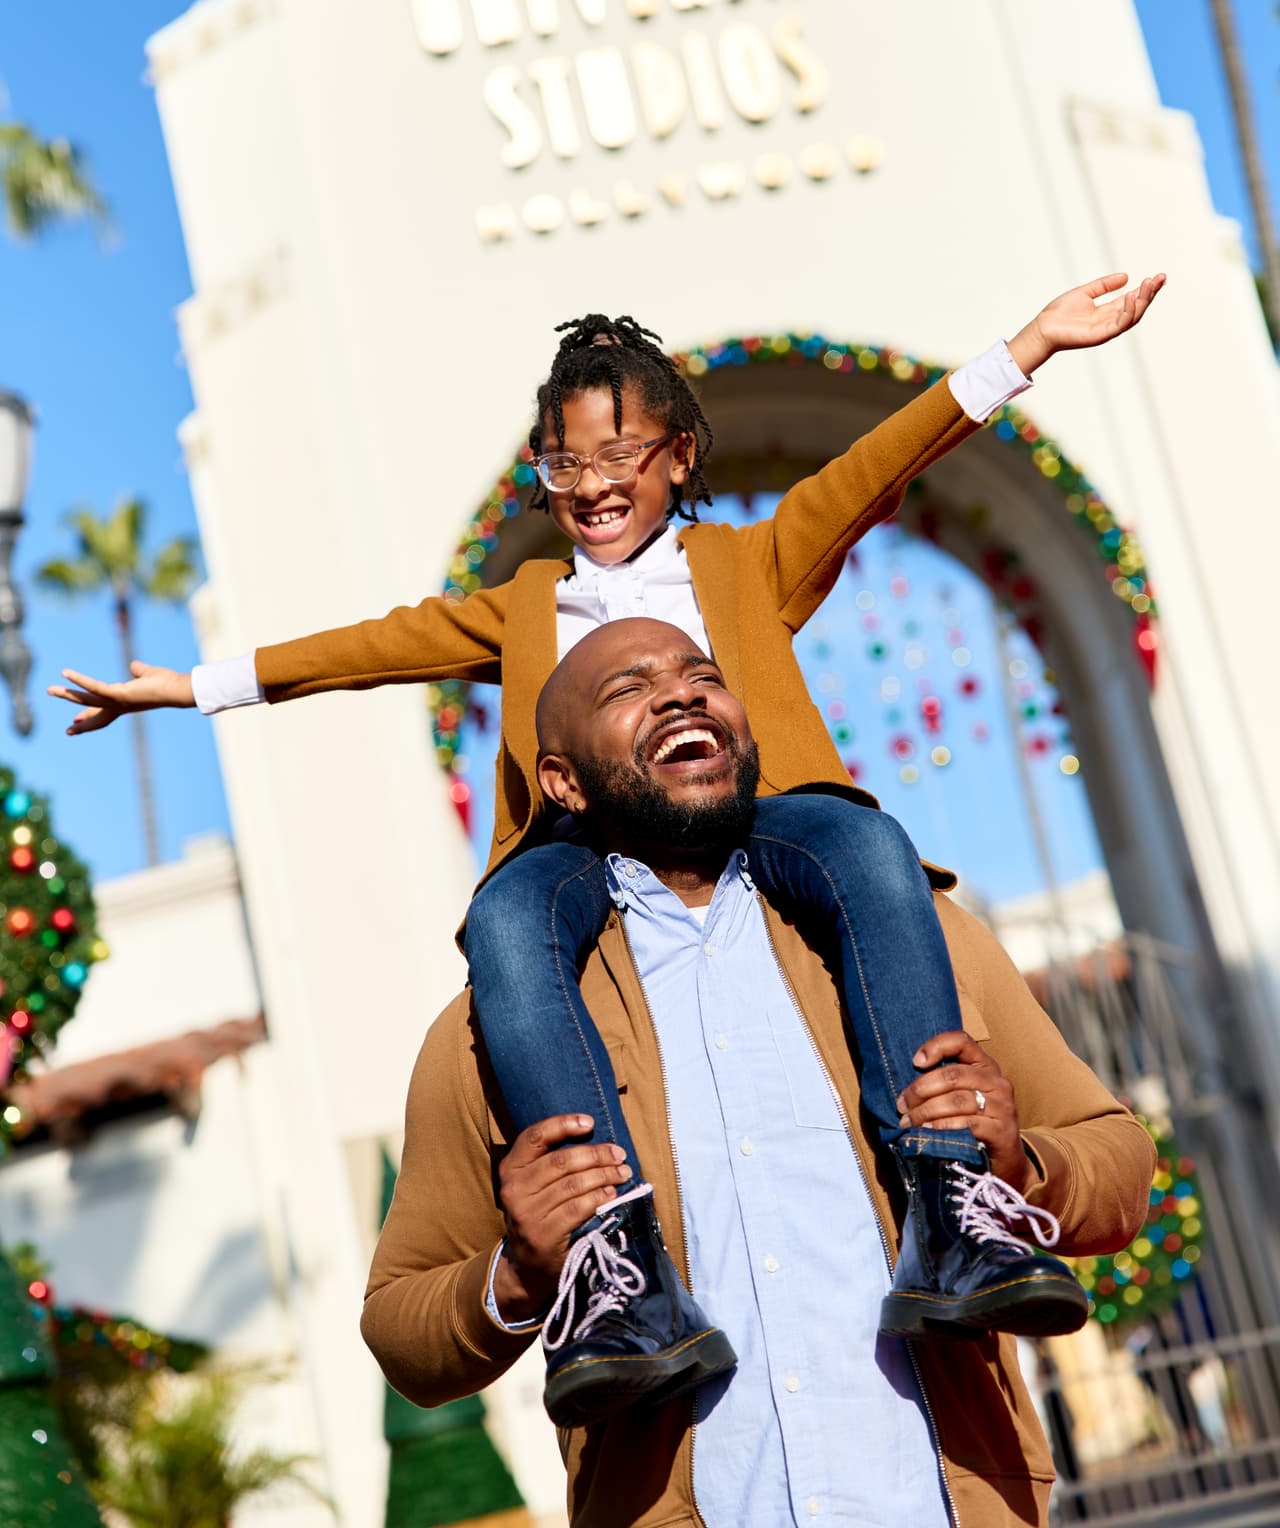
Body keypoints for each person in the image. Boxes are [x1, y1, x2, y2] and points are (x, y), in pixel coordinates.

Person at [49, 279, 1163, 1424]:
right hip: (583, 838)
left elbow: (879, 461)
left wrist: (1028, 345)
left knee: (867, 846)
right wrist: (192, 689)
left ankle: (948, 1195)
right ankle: (609, 1255)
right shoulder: (526, 604)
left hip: (758, 809)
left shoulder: (745, 563)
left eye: (617, 453)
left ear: (677, 455)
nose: (590, 485)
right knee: (503, 919)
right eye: (563, 464)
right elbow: (374, 646)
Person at [364, 619, 1157, 1528]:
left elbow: (1119, 1162)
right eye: (628, 689)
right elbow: (400, 1328)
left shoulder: (921, 944)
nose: (679, 693)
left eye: (702, 674)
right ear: (563, 782)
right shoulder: (490, 1030)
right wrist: (521, 1274)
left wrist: (1014, 1168)